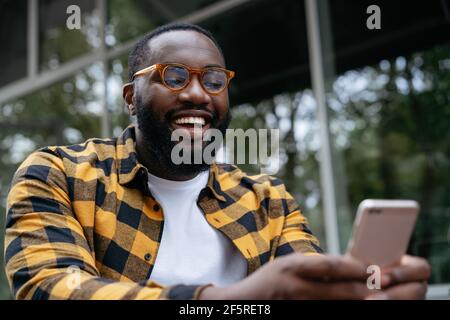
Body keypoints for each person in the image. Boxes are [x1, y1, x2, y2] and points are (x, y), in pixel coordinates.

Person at [4, 23, 430, 300]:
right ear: (132, 99)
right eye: (173, 76)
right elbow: (48, 287)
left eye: (212, 80)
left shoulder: (268, 200)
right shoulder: (59, 175)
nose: (197, 94)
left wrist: (368, 290)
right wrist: (224, 301)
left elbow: (306, 291)